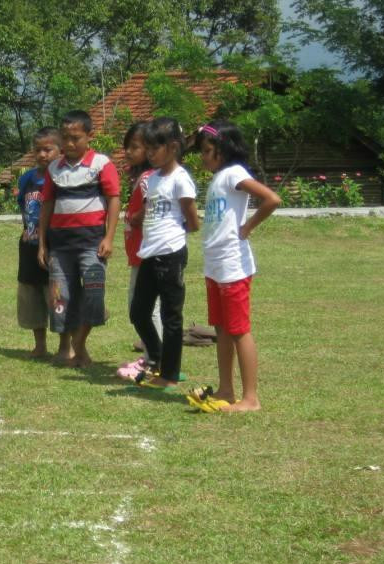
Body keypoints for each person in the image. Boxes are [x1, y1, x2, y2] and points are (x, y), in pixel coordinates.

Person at [189, 119, 281, 413]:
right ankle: (226, 389)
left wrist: (248, 227)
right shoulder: (220, 177)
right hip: (215, 265)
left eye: (207, 150)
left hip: (232, 265)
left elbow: (271, 199)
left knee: (239, 329)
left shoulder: (233, 174)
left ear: (223, 150)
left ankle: (251, 398)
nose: (203, 156)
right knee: (221, 328)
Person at [36, 110, 121, 367]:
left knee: (94, 294)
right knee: (60, 297)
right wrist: (42, 243)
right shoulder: (54, 168)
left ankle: (79, 343)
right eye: (65, 138)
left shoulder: (101, 164)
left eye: (75, 138)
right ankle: (65, 348)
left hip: (92, 245)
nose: (70, 144)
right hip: (60, 246)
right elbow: (47, 205)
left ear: (89, 136)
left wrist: (109, 237)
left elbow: (114, 199)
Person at [131, 116, 199, 389]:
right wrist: (139, 217)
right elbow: (151, 208)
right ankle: (158, 360)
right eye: (146, 149)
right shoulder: (154, 178)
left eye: (154, 149)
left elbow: (192, 222)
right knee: (138, 312)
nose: (149, 154)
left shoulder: (181, 179)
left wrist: (173, 231)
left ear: (172, 147)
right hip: (149, 253)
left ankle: (170, 375)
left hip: (171, 253)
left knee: (172, 317)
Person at [116, 121, 163, 380]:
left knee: (144, 308)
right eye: (127, 147)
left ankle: (153, 359)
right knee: (143, 307)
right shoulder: (143, 177)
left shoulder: (148, 179)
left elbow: (154, 203)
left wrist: (137, 217)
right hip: (139, 253)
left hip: (147, 253)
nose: (128, 152)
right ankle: (151, 354)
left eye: (135, 147)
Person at [14, 127, 61, 358]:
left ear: (59, 151)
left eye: (48, 149)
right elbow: (24, 206)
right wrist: (27, 231)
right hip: (29, 245)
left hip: (55, 246)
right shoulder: (26, 179)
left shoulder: (62, 178)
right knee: (31, 294)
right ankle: (40, 345)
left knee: (57, 295)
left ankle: (65, 345)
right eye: (38, 150)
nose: (42, 155)